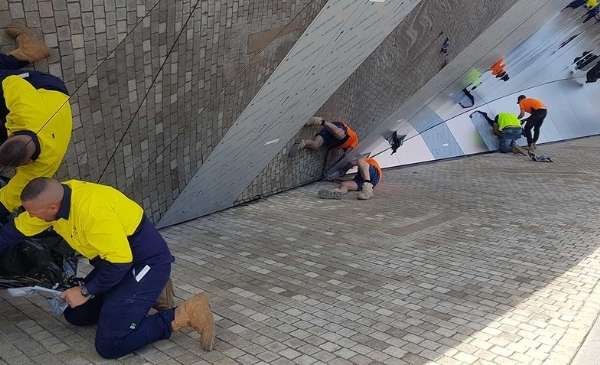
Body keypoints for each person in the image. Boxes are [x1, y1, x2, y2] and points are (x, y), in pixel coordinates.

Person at [0, 178, 215, 358]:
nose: (31, 216)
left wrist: (85, 291)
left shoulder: (91, 211)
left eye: (33, 212)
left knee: (111, 344)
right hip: (116, 263)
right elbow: (16, 230)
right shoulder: (53, 202)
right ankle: (144, 296)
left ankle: (186, 313)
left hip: (144, 263)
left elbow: (120, 262)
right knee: (76, 314)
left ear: (52, 207)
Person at [0, 23, 72, 223]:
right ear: (13, 135)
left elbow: (12, 195)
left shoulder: (44, 165)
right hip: (38, 89)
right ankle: (26, 53)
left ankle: (25, 53)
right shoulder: (24, 107)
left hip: (47, 88)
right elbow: (10, 82)